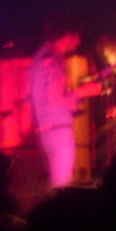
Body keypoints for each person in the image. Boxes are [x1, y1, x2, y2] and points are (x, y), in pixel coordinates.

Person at [29, 12, 103, 189]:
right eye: (77, 36)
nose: (79, 41)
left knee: (58, 186)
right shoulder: (51, 58)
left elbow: (49, 98)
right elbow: (55, 100)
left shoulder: (43, 55)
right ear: (68, 34)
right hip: (57, 131)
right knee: (61, 188)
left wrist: (72, 102)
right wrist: (84, 91)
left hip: (50, 129)